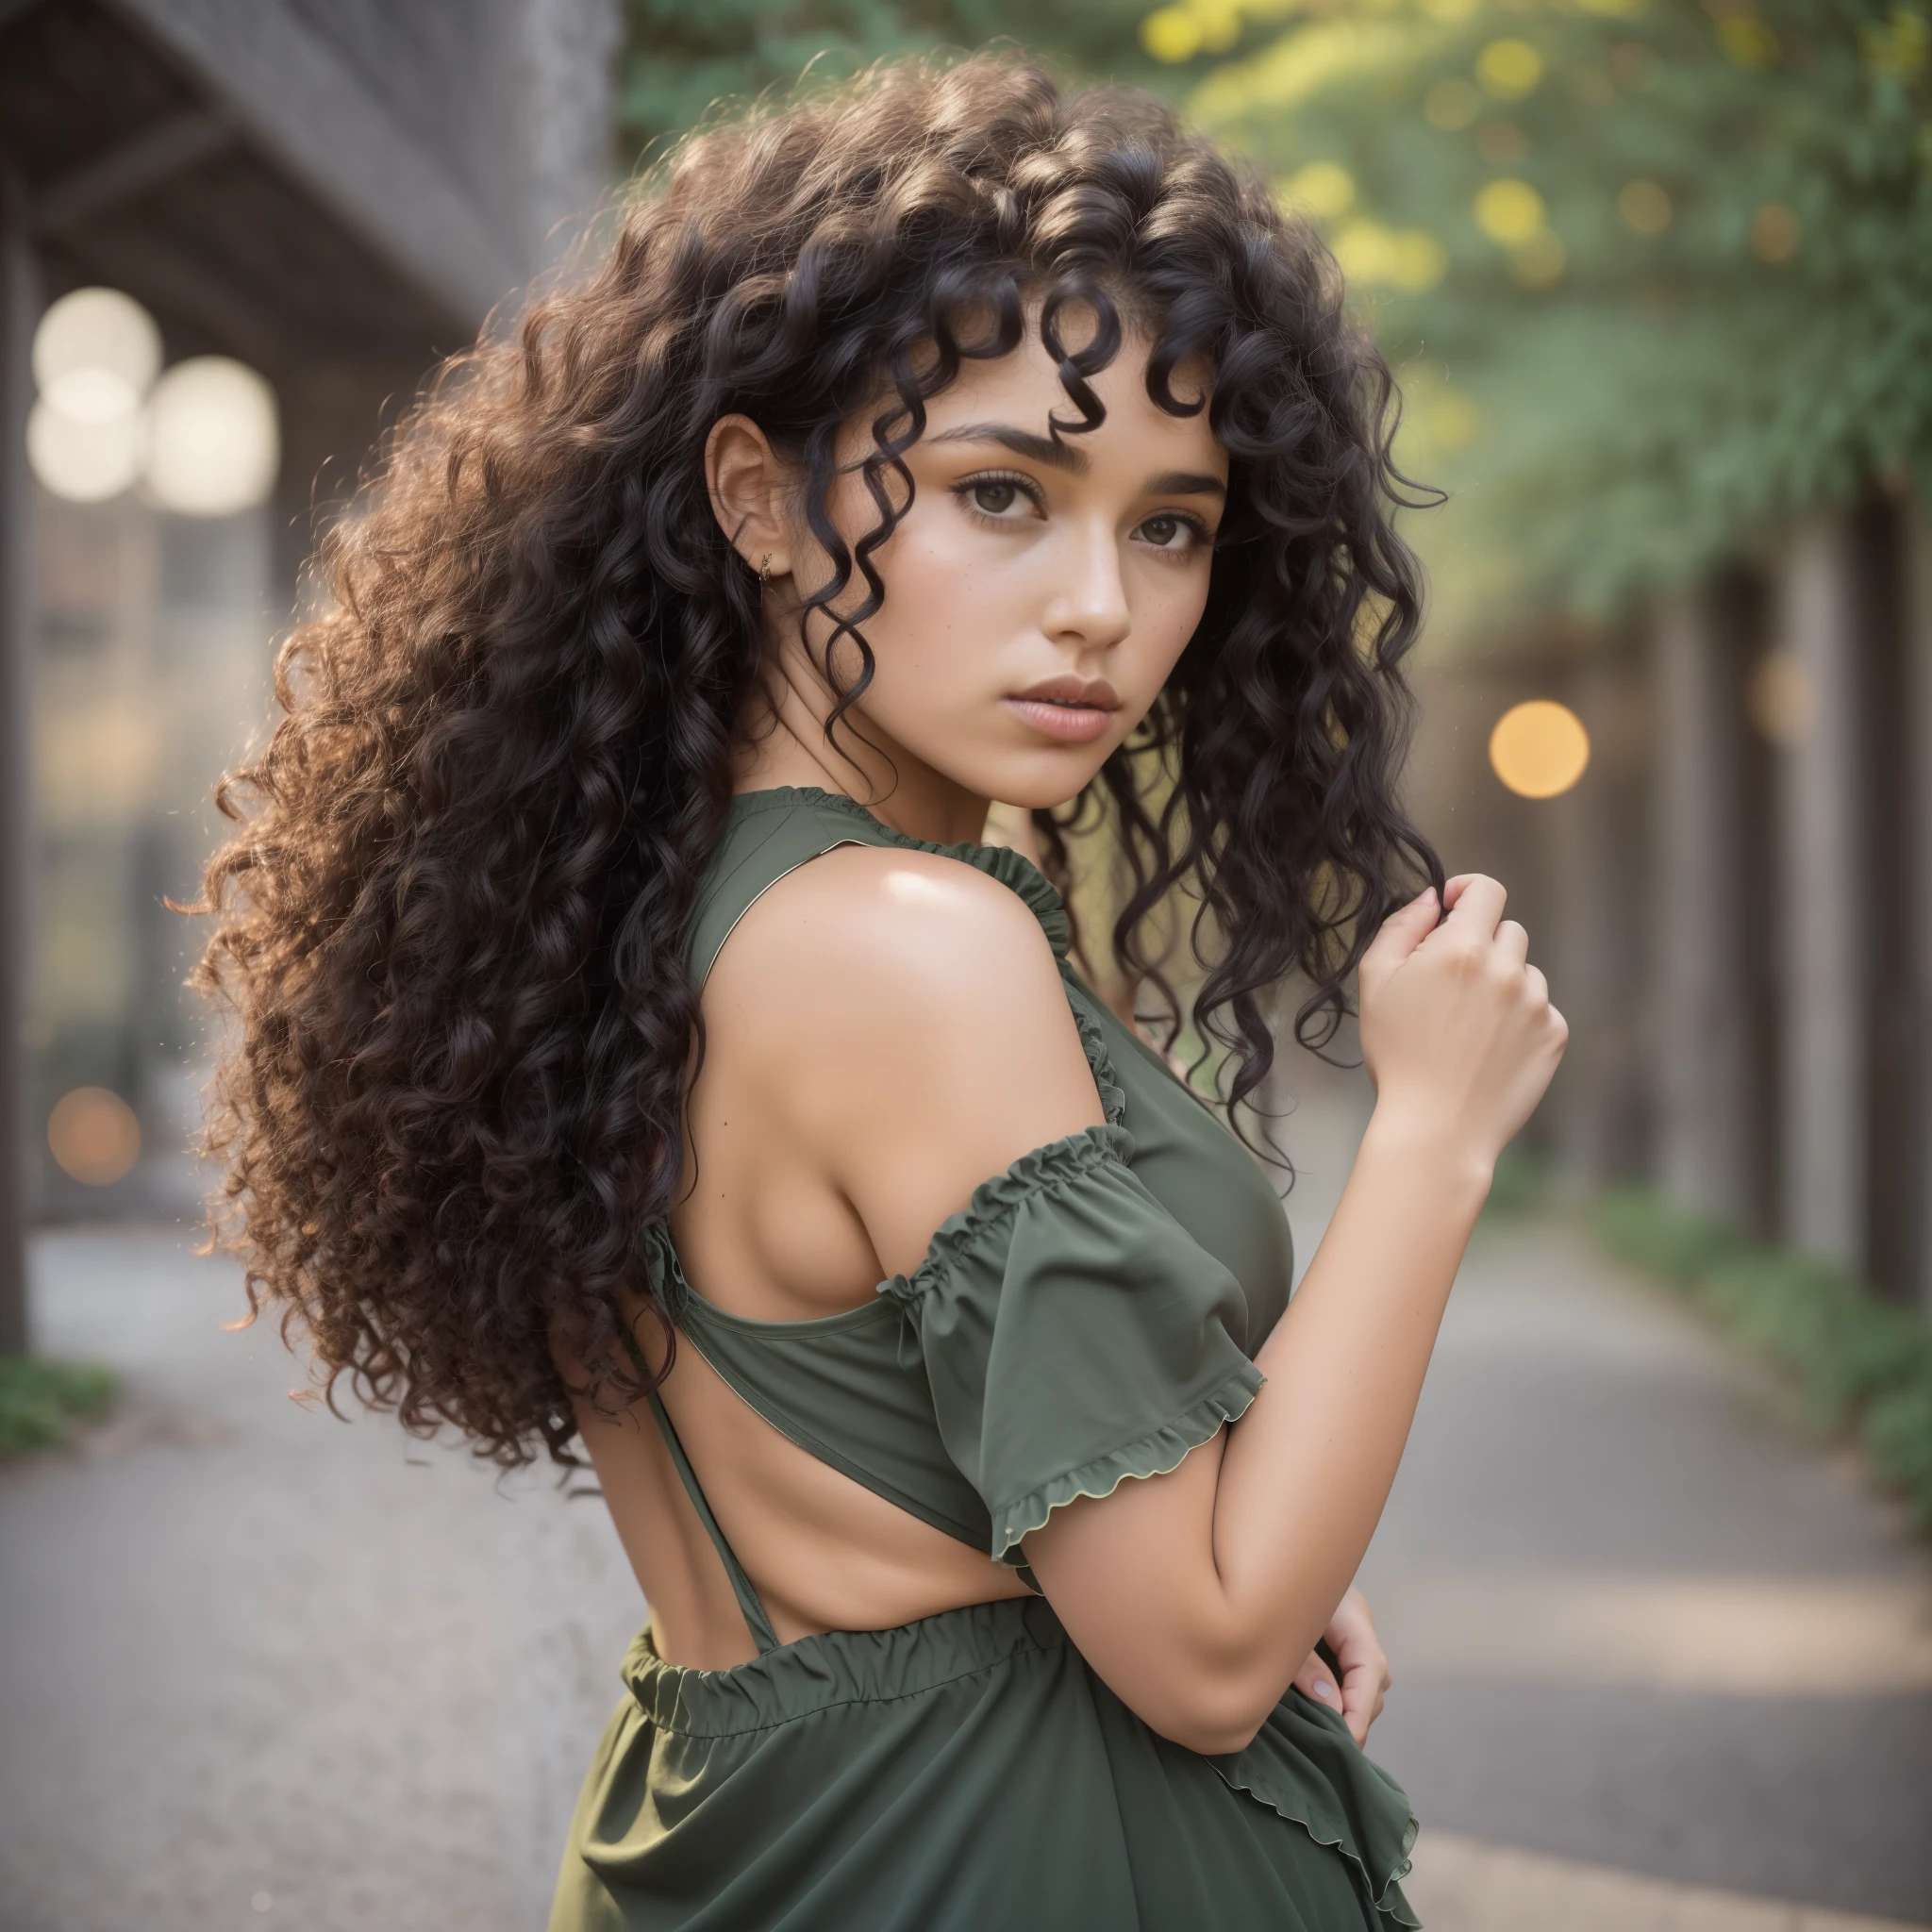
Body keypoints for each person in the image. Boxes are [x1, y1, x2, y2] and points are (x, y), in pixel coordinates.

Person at [193, 54, 1566, 1931]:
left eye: (1171, 522)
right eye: (1003, 492)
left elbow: (934, 1465)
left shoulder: (652, 918)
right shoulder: (915, 947)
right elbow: (1210, 1647)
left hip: (743, 1808)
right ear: (759, 499)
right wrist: (1432, 1132)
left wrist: (1173, 1500)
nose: (1101, 600)